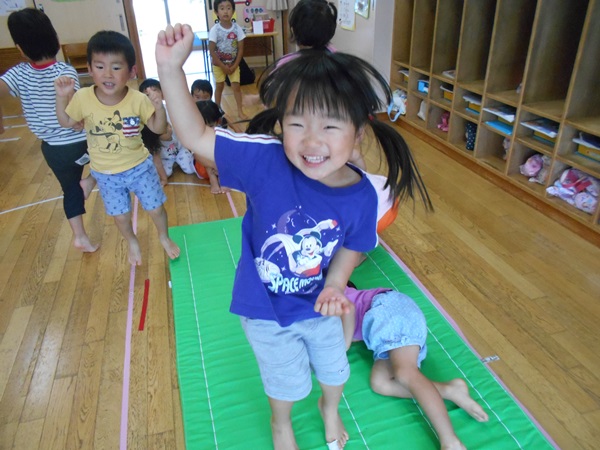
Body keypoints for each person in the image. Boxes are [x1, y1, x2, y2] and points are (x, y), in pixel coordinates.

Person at [156, 23, 431, 450]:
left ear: (358, 132)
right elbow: (195, 136)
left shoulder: (361, 194)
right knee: (285, 385)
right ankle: (280, 423)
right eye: (297, 123)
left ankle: (330, 408)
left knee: (335, 371)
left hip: (320, 305)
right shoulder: (265, 160)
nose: (311, 141)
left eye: (330, 127)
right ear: (281, 124)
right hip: (265, 310)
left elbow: (355, 244)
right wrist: (170, 70)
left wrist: (336, 284)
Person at [54, 30, 180, 266]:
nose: (107, 74)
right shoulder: (82, 97)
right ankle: (132, 241)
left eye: (116, 67)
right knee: (120, 217)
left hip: (140, 168)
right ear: (89, 69)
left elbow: (157, 128)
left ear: (131, 71)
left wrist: (159, 108)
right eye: (100, 66)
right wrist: (62, 98)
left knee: (156, 209)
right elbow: (66, 122)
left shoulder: (138, 99)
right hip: (106, 174)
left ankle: (164, 236)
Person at [342, 285, 489, 450]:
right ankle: (449, 390)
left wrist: (343, 345)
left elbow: (348, 310)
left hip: (391, 310)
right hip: (384, 334)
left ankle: (451, 441)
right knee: (380, 383)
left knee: (405, 373)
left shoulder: (331, 293)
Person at [0, 8, 98, 253]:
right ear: (55, 38)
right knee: (114, 154)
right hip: (80, 142)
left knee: (69, 189)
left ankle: (80, 237)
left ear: (20, 48)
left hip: (53, 150)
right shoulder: (65, 72)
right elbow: (76, 111)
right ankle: (90, 181)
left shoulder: (17, 74)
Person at [139, 78, 196, 184]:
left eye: (155, 90)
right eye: (147, 95)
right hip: (164, 155)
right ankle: (173, 163)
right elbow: (154, 152)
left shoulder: (171, 110)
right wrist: (163, 177)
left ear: (163, 94)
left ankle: (179, 159)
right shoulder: (145, 119)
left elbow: (185, 130)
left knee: (189, 169)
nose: (152, 96)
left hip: (179, 148)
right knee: (165, 173)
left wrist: (189, 147)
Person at [209, 0, 246, 119]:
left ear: (233, 11)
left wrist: (235, 65)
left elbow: (240, 49)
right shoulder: (215, 30)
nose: (225, 11)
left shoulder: (237, 29)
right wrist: (222, 66)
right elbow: (212, 51)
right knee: (219, 86)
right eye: (222, 8)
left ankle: (240, 111)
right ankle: (217, 111)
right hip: (218, 65)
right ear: (216, 12)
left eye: (229, 8)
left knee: (236, 87)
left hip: (233, 65)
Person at [194, 100, 230, 194]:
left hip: (220, 166)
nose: (207, 130)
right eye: (203, 126)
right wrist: (214, 166)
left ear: (218, 122)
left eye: (210, 126)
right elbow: (197, 156)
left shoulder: (221, 132)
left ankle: (223, 178)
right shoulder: (195, 135)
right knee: (204, 154)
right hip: (204, 167)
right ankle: (213, 180)